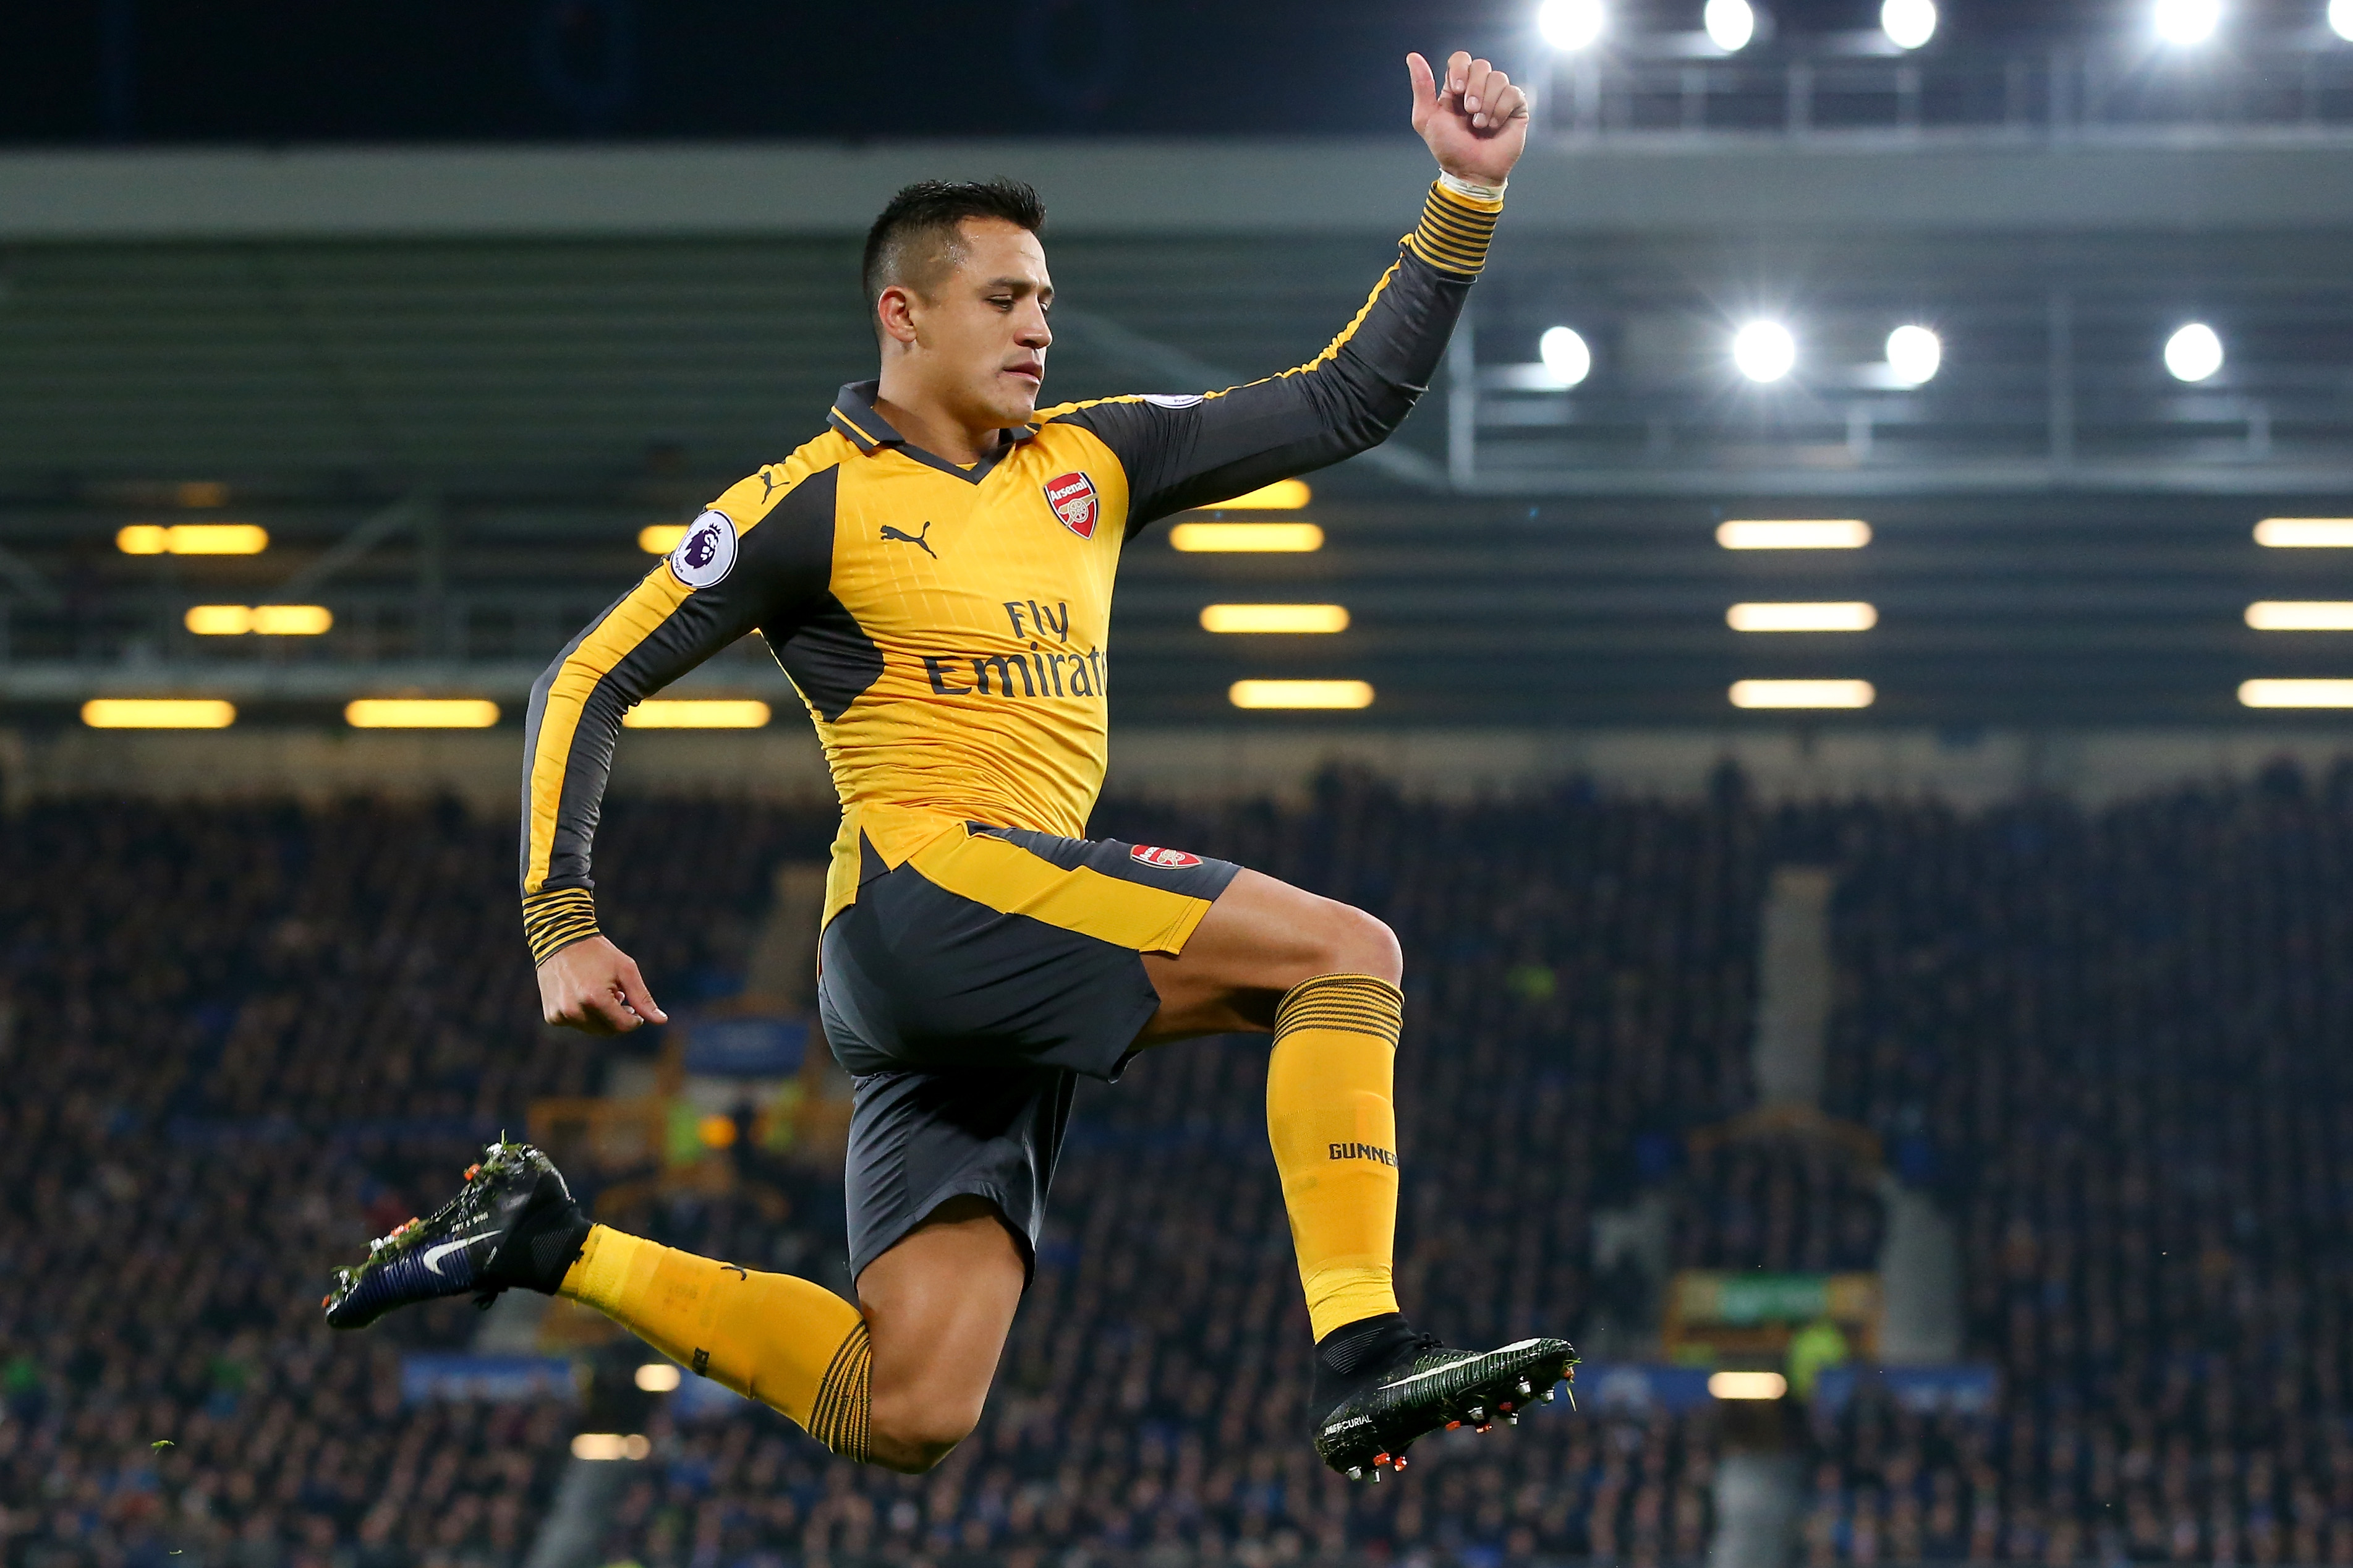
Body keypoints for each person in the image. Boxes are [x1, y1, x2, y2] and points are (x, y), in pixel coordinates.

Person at [325, 48, 1572, 1482]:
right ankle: (1363, 1349)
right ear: (902, 312)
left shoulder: (1091, 463)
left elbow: (1348, 398)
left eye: (1046, 296)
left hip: (969, 965)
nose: (1041, 324)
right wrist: (562, 920)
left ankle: (548, 1237)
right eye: (1005, 297)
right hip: (931, 899)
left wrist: (1463, 196)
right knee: (1345, 954)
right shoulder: (809, 500)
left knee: (909, 1401)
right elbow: (584, 676)